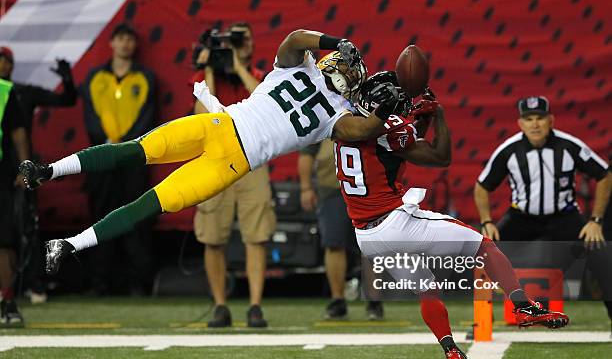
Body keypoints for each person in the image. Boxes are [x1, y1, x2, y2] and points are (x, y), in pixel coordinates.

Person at [19, 30, 400, 281]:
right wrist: (381, 105)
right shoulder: (315, 85)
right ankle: (47, 170)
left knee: (151, 201)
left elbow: (363, 128)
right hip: (220, 133)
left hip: (228, 156)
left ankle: (68, 243)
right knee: (133, 152)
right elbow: (298, 40)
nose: (346, 69)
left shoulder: (336, 112)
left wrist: (336, 43)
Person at [334, 72, 569, 359]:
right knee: (484, 247)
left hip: (367, 237)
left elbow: (392, 143)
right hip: (395, 223)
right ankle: (524, 307)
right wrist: (438, 116)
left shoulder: (342, 122)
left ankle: (451, 350)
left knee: (427, 290)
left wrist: (419, 122)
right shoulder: (391, 130)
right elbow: (437, 156)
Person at [474, 96, 611, 325]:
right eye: (529, 119)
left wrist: (595, 220)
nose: (535, 124)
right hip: (522, 217)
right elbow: (481, 186)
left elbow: (604, 175)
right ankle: (482, 320)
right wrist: (487, 221)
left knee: (602, 255)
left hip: (564, 217)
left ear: (550, 121)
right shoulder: (509, 150)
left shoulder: (569, 146)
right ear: (520, 123)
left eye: (540, 118)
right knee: (484, 250)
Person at [192, 23, 275, 328]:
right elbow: (203, 114)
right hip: (216, 159)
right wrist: (210, 70)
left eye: (244, 38)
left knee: (257, 234)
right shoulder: (204, 74)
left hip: (252, 159)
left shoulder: (262, 75)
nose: (239, 44)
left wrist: (239, 68)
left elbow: (269, 107)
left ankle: (255, 305)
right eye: (233, 40)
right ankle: (220, 305)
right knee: (213, 235)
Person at [80, 22, 157, 295]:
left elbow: (148, 117)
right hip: (101, 159)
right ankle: (100, 281)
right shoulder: (94, 78)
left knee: (136, 216)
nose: (125, 44)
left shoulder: (145, 78)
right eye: (120, 39)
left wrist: (127, 147)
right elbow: (90, 116)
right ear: (111, 43)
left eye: (130, 39)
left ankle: (138, 282)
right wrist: (105, 144)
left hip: (133, 160)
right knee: (100, 217)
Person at [0, 45, 77, 303]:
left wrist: (67, 80)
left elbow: (66, 100)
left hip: (17, 169)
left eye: (5, 60)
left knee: (25, 227)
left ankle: (32, 284)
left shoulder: (19, 92)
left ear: (11, 65)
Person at [299, 139, 383, 320]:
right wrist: (305, 187)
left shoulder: (369, 114)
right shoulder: (325, 114)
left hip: (368, 187)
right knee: (334, 243)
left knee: (371, 244)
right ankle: (337, 299)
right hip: (332, 188)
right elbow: (307, 153)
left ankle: (374, 299)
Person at [0, 72, 27, 326]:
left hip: (0, 173)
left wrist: (24, 167)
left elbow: (18, 132)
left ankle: (7, 301)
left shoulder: (5, 90)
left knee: (4, 240)